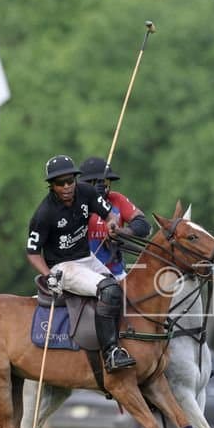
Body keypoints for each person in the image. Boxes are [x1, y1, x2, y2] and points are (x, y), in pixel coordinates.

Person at [25, 154, 135, 371]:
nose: (66, 187)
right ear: (51, 185)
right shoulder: (44, 214)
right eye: (59, 183)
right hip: (63, 267)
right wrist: (49, 275)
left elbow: (109, 214)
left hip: (86, 259)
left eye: (70, 181)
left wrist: (112, 224)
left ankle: (126, 341)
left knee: (124, 292)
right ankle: (110, 353)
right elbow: (32, 251)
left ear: (76, 179)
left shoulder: (86, 192)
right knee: (109, 291)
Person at [77, 156, 150, 280]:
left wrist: (122, 232)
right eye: (99, 182)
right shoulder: (75, 203)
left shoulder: (117, 199)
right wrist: (94, 201)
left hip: (116, 274)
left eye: (106, 181)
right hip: (83, 275)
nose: (105, 186)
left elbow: (144, 225)